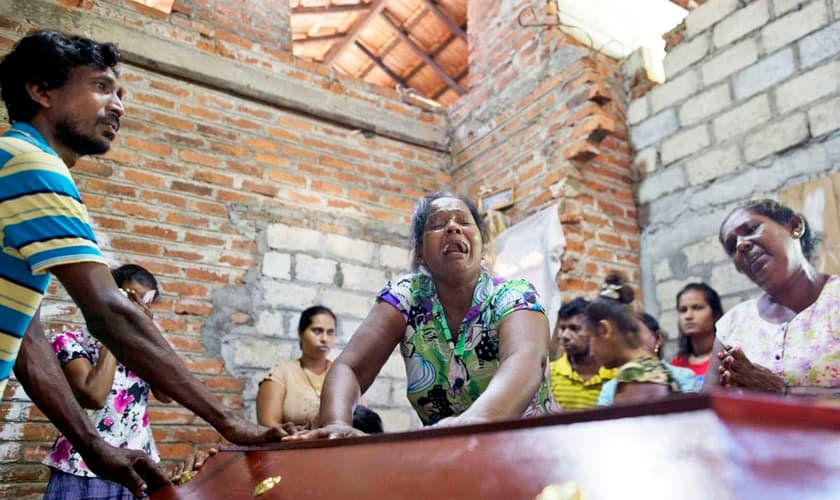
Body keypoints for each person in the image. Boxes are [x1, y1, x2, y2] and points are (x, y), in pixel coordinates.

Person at [0, 31, 282, 495]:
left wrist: (91, 444)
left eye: (121, 94)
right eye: (101, 87)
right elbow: (109, 312)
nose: (118, 106)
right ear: (42, 91)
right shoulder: (31, 163)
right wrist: (228, 421)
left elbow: (25, 346)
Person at [288, 192, 558, 439]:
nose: (453, 227)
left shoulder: (513, 296)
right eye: (438, 224)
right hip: (450, 457)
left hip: (533, 449)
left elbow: (525, 361)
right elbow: (350, 368)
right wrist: (336, 425)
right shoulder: (407, 298)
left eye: (464, 222)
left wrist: (473, 421)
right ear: (419, 253)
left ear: (480, 244)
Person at [42, 265, 209, 499]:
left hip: (138, 468)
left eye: (143, 303)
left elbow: (167, 394)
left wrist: (148, 334)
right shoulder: (69, 341)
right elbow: (94, 396)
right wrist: (114, 334)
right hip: (83, 466)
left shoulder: (142, 350)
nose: (133, 310)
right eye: (128, 299)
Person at [707, 199, 840, 396]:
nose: (741, 244)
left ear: (794, 227)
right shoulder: (734, 324)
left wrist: (783, 392)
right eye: (731, 246)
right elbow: (710, 407)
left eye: (751, 229)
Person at [585, 272, 683, 405]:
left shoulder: (636, 376)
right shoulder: (651, 367)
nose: (591, 351)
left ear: (604, 330)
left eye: (591, 337)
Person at [257, 306, 338, 429]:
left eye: (330, 332)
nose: (324, 339)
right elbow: (268, 426)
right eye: (317, 331)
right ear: (301, 333)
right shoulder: (281, 373)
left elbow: (361, 421)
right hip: (292, 446)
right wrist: (299, 435)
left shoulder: (344, 374)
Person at [598, 313, 699, 406]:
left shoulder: (683, 376)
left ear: (658, 338)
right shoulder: (609, 388)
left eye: (635, 332)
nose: (629, 339)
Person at [549, 298, 617, 411]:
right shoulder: (549, 374)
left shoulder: (616, 376)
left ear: (595, 330)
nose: (565, 336)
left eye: (574, 328)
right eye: (563, 328)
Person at [669, 283, 724, 385]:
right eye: (683, 310)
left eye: (697, 308)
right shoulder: (675, 367)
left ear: (715, 314)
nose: (688, 316)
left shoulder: (726, 360)